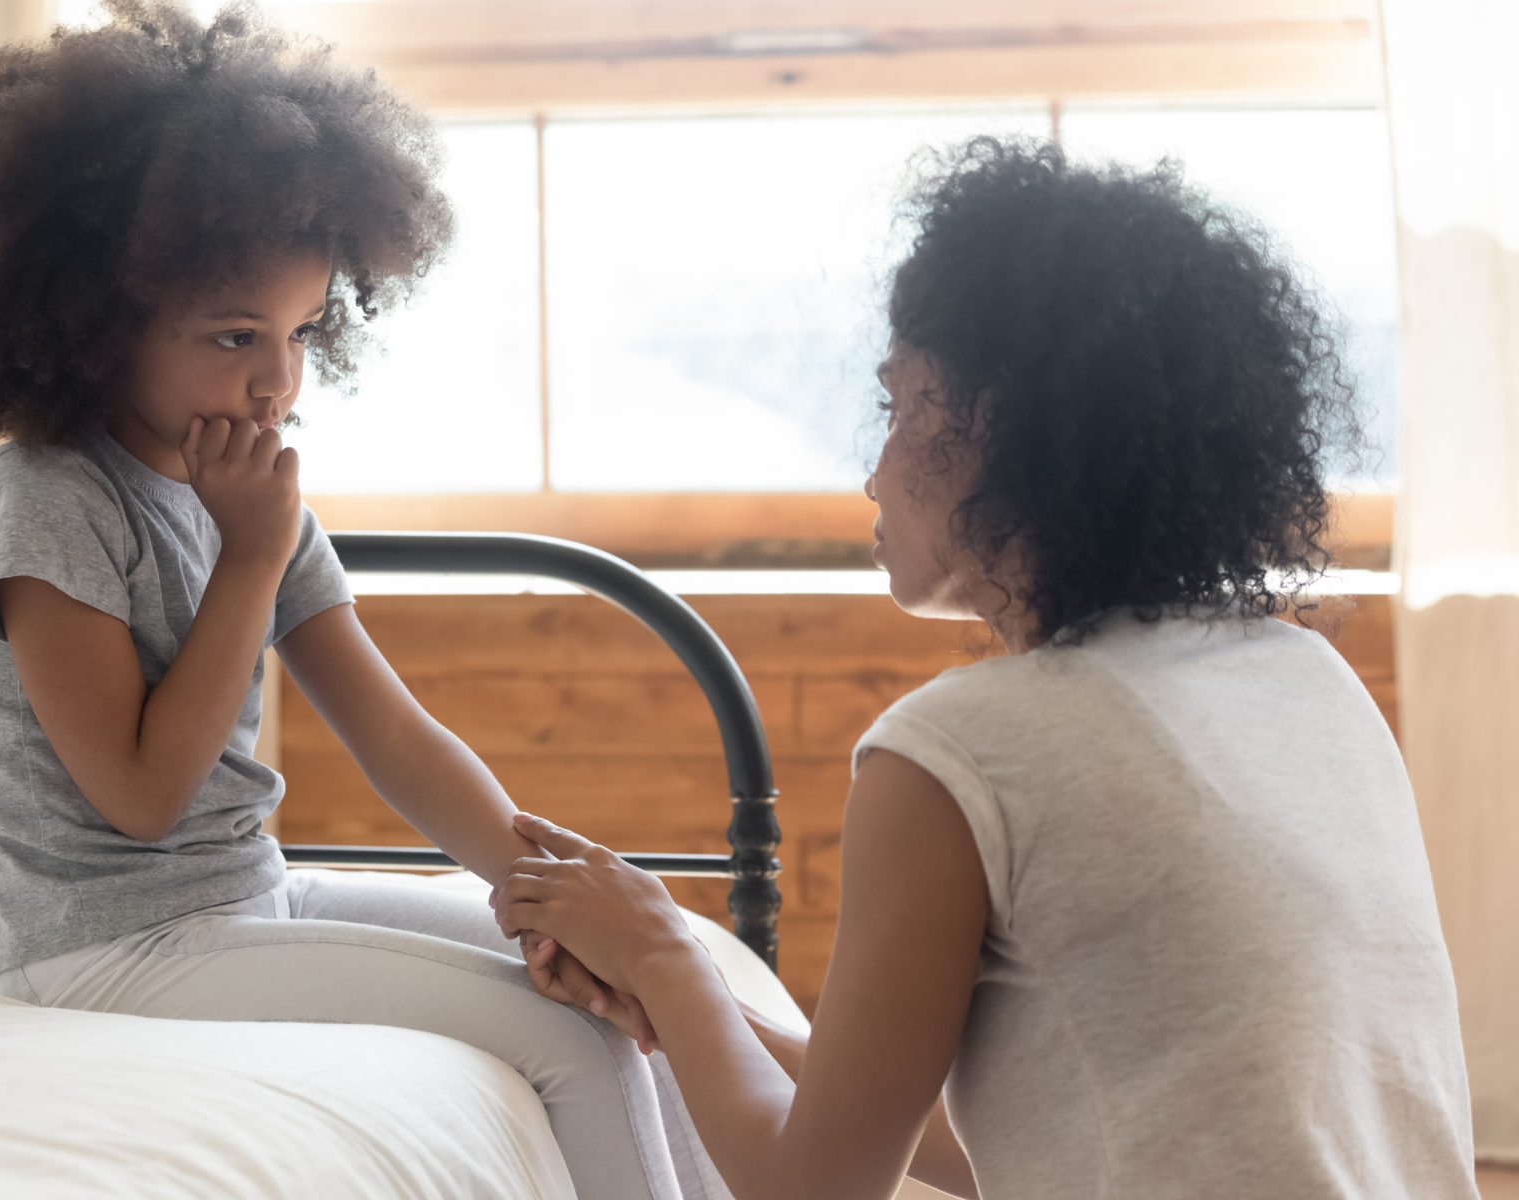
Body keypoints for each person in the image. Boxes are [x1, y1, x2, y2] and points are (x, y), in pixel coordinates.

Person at [491, 137, 1479, 1200]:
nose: (872, 472)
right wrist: (693, 1016)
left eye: (903, 409)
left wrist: (663, 954)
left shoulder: (960, 748)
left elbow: (812, 1188)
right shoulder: (1304, 680)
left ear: (1008, 431)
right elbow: (1028, 1134)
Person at [0, 3, 726, 1196]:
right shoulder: (48, 503)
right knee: (567, 1036)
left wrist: (537, 887)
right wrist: (247, 558)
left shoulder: (245, 485)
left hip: (244, 894)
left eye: (300, 331)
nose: (277, 377)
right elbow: (139, 798)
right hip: (99, 951)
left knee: (644, 977)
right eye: (235, 334)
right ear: (93, 323)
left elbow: (392, 734)